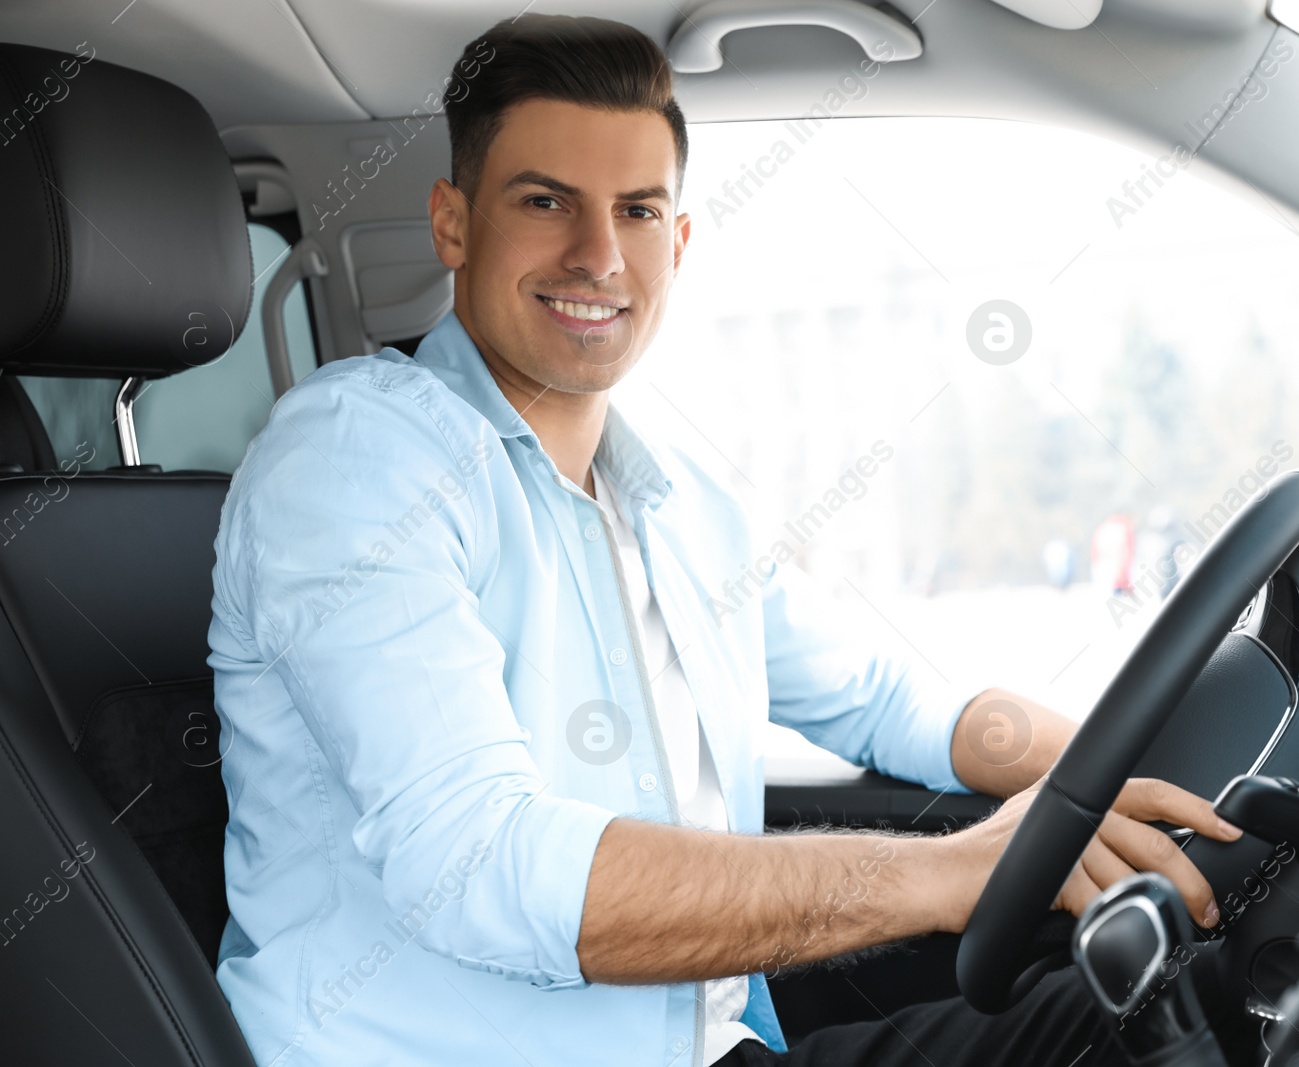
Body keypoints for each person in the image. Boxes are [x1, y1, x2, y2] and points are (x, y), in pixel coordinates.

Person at [208, 15, 1241, 1067]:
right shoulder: (356, 460)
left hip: (712, 1048)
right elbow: (481, 865)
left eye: (637, 210)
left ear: (680, 241)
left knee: (1207, 1005)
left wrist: (1107, 772)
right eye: (545, 200)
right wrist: (947, 870)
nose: (598, 254)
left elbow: (888, 698)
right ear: (454, 224)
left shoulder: (680, 504)